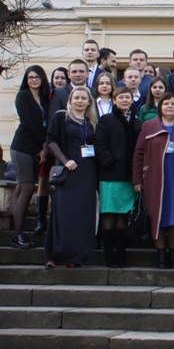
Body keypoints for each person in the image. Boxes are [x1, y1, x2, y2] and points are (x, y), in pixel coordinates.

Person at [44, 86, 99, 268]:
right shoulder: (62, 116)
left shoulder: (91, 121)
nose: (80, 101)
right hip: (68, 170)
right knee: (63, 213)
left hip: (87, 172)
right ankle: (56, 254)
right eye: (77, 98)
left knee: (82, 215)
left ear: (89, 101)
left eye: (84, 98)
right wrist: (65, 160)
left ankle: (76, 256)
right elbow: (51, 141)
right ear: (71, 100)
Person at [132, 93, 174, 269]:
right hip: (155, 178)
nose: (170, 106)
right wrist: (137, 179)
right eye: (166, 103)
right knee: (157, 217)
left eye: (173, 103)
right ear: (159, 107)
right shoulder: (149, 126)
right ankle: (161, 255)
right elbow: (138, 153)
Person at [94, 86, 141, 268]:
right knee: (109, 214)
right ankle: (109, 256)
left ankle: (121, 256)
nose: (124, 100)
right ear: (114, 100)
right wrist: (109, 161)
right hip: (110, 175)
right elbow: (99, 143)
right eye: (120, 97)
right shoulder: (107, 120)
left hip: (128, 177)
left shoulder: (136, 122)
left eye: (127, 97)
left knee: (122, 215)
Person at [10, 65, 50, 249]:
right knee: (27, 188)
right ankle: (18, 236)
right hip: (22, 147)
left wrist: (42, 146)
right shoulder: (23, 96)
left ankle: (16, 233)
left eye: (36, 77)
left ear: (42, 78)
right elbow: (27, 123)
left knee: (21, 188)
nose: (33, 80)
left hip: (35, 148)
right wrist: (44, 143)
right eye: (30, 77)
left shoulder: (44, 98)